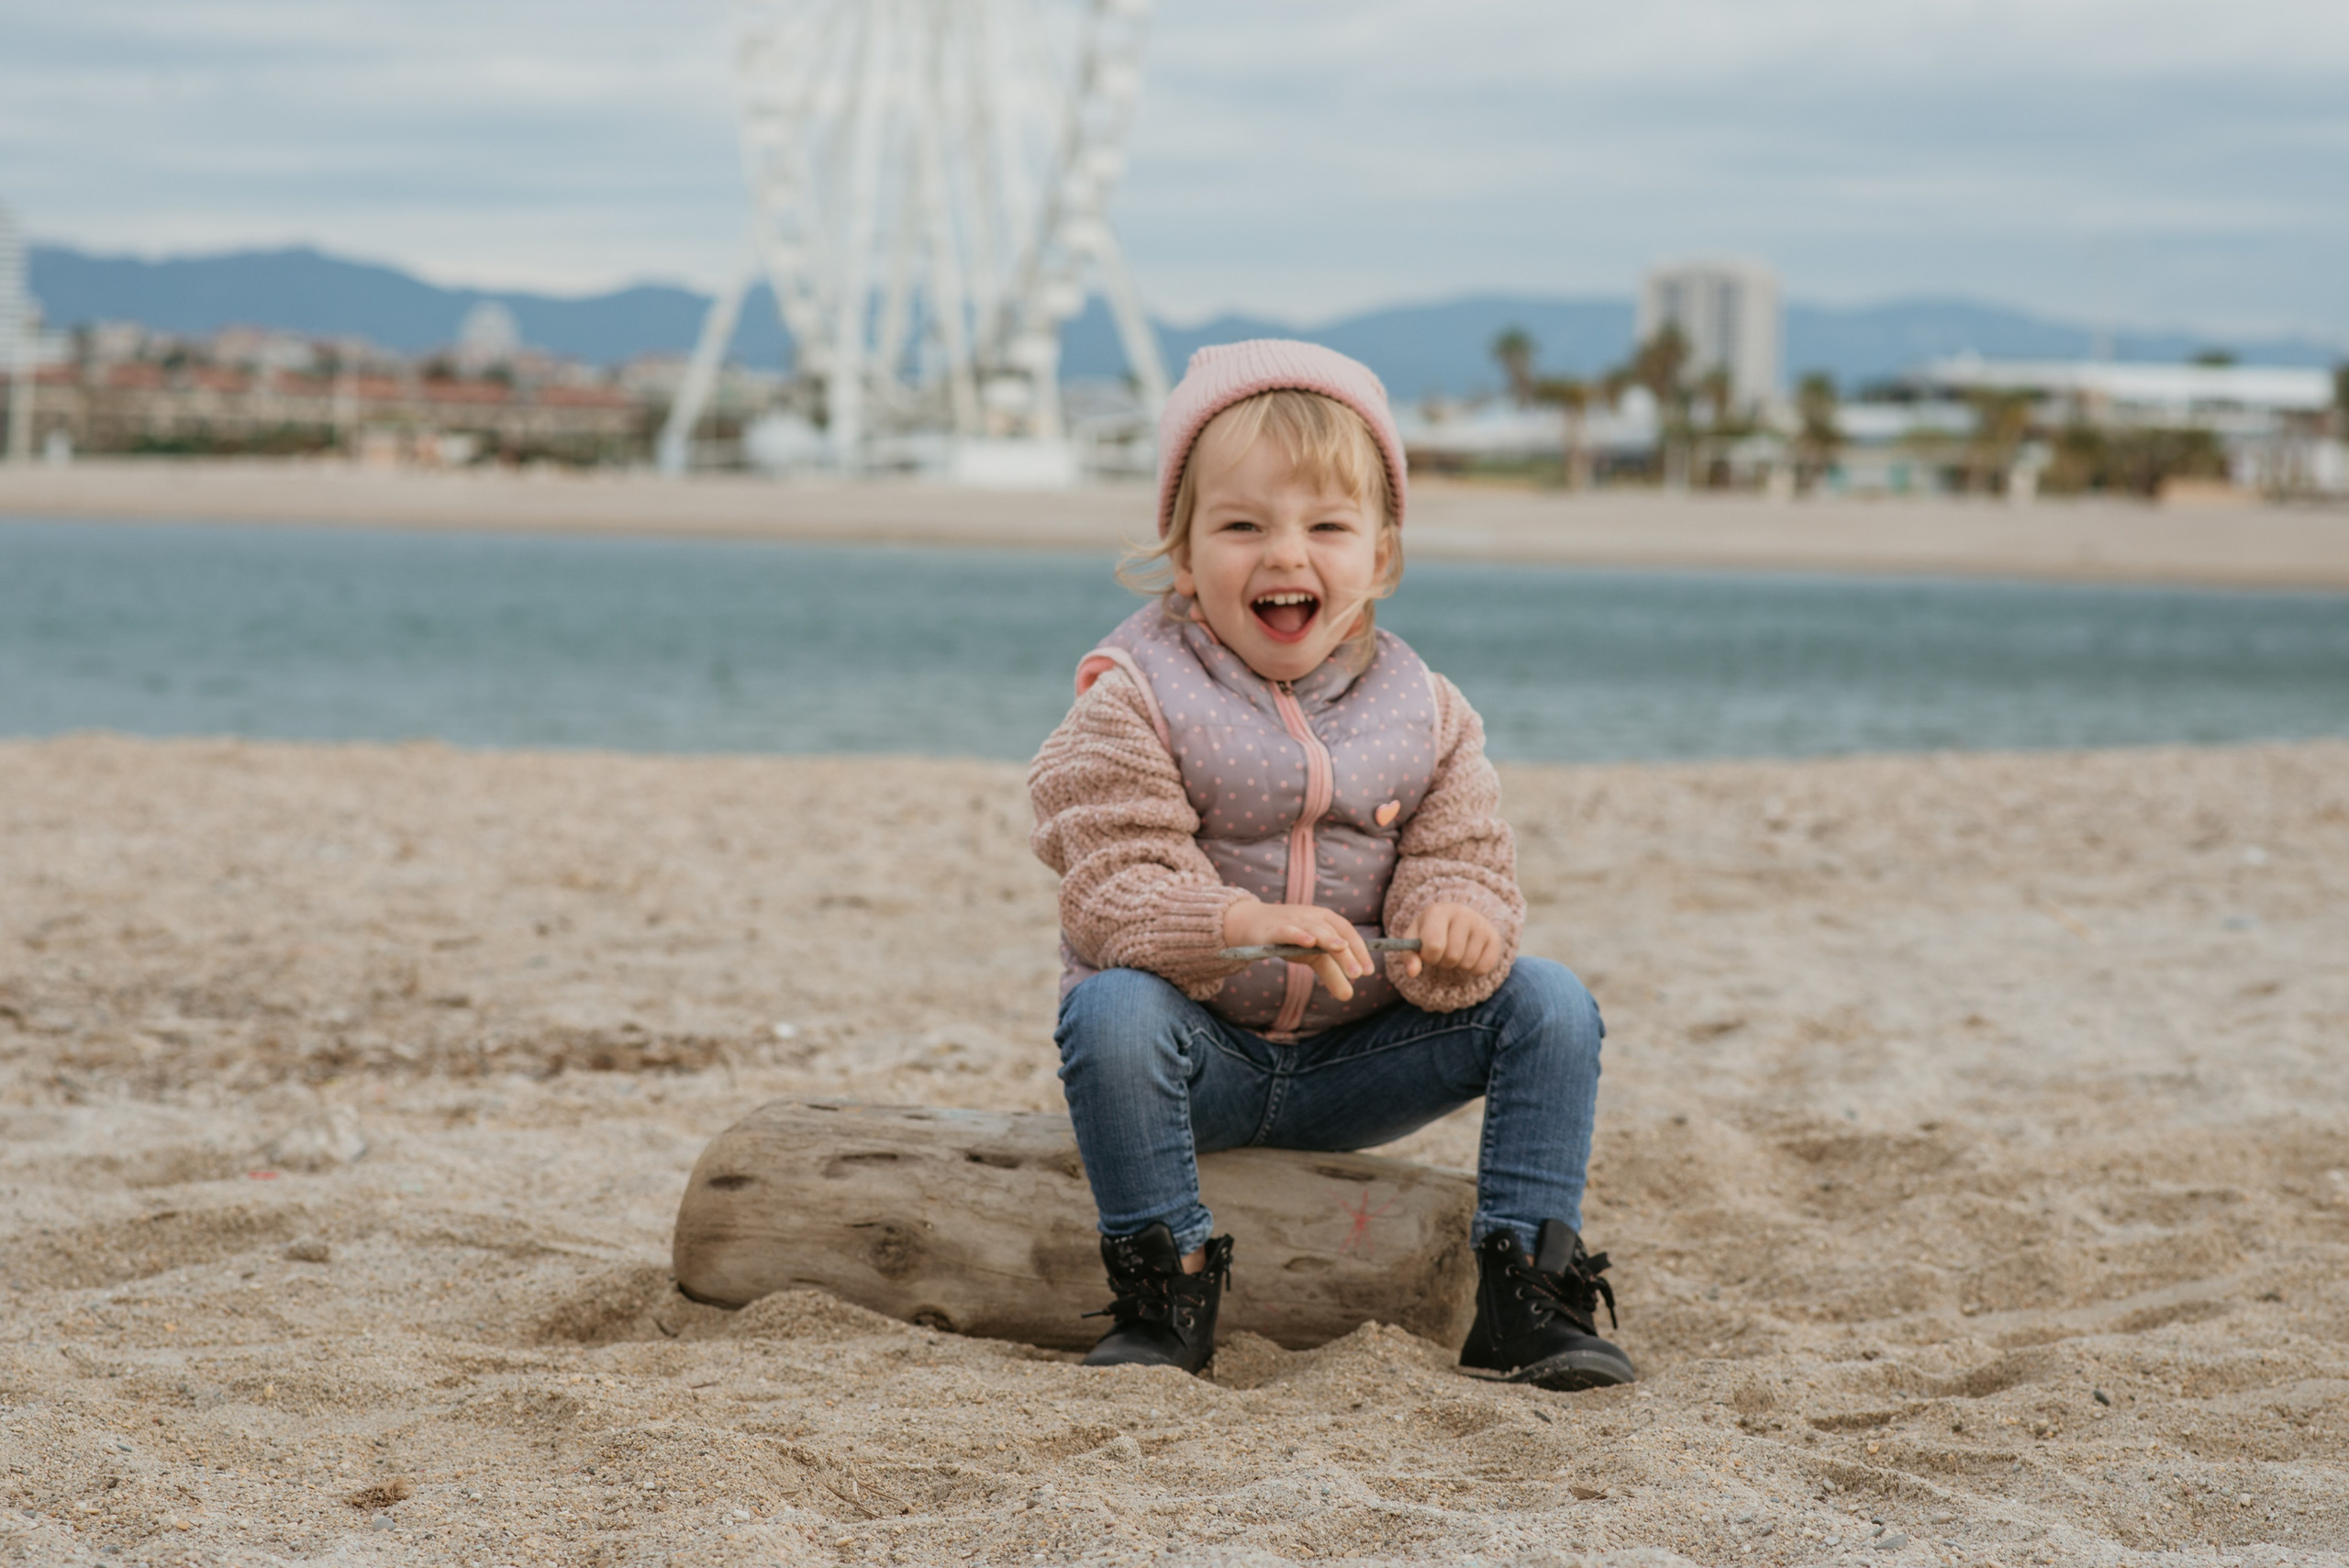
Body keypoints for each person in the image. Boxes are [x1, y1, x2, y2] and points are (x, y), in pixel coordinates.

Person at [1027, 340, 1634, 1391]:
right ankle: (1166, 1289)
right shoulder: (1134, 697)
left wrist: (1457, 919)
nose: (1284, 555)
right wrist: (1237, 923)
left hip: (1362, 1056)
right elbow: (1111, 885)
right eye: (1241, 526)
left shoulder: (1425, 711)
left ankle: (1526, 1292)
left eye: (1325, 527)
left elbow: (1462, 855)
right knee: (1109, 1010)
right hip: (1201, 1055)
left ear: (1381, 558)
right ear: (1183, 556)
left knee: (1551, 1001)